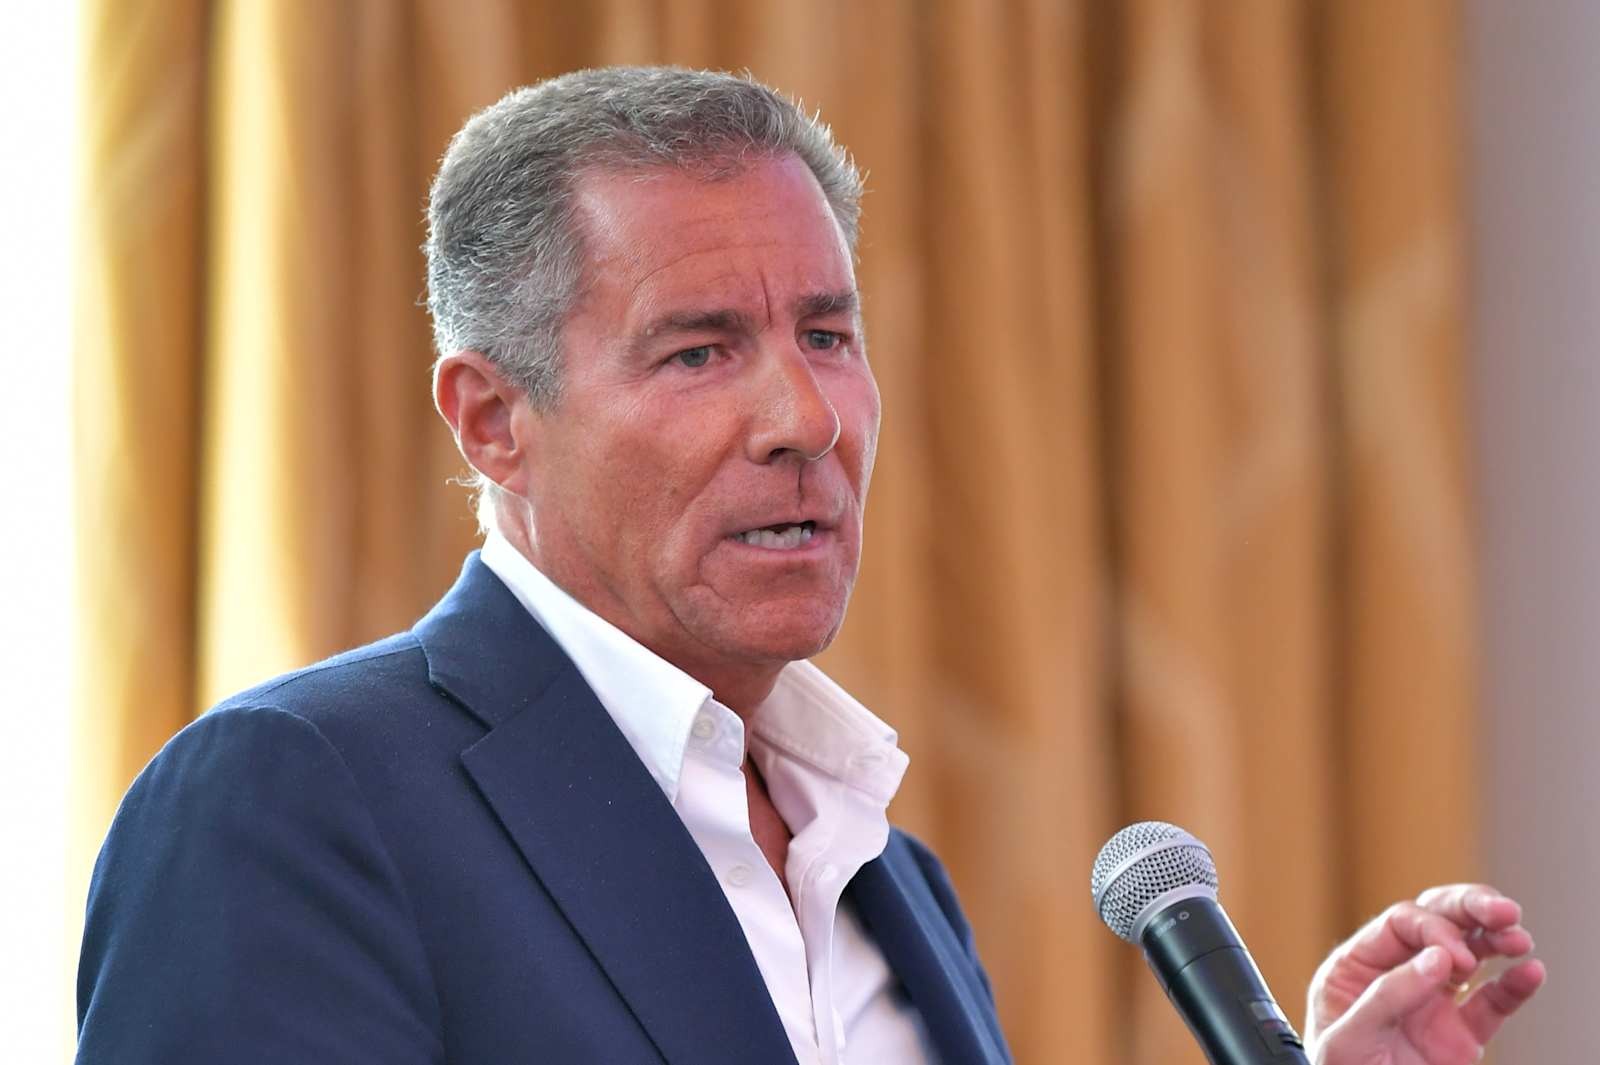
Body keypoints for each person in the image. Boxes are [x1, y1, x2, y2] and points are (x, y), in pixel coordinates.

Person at [75, 66, 1543, 1065]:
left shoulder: (890, 876)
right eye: (699, 349)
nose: (807, 418)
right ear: (494, 419)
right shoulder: (298, 799)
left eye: (828, 334)